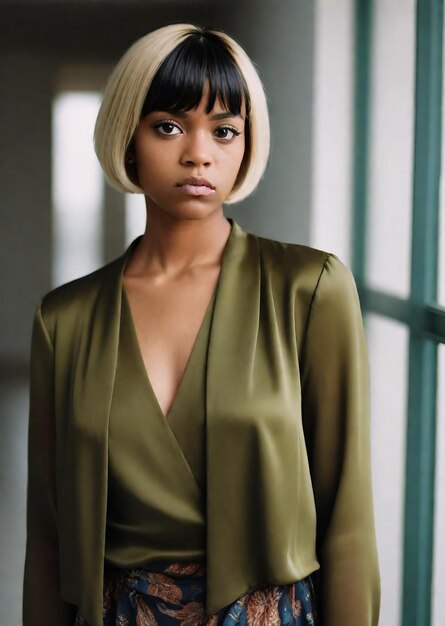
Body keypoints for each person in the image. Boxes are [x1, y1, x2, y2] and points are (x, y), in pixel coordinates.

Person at [23, 22, 381, 626]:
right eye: (169, 125)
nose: (199, 152)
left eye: (224, 131)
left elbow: (347, 521)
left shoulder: (309, 288)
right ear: (128, 137)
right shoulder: (66, 319)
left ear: (246, 145)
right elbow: (48, 539)